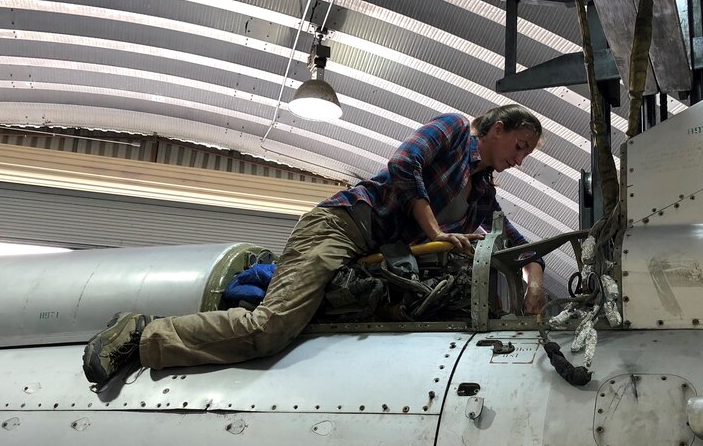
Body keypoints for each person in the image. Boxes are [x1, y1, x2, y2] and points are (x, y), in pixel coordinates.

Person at [82, 104, 547, 389]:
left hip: (370, 260)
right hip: (342, 227)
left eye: (528, 153)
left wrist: (536, 279)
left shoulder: (482, 190)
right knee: (273, 327)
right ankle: (141, 337)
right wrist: (432, 230)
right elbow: (405, 165)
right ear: (498, 127)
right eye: (520, 145)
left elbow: (516, 241)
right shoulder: (453, 128)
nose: (520, 159)